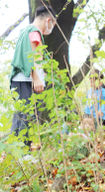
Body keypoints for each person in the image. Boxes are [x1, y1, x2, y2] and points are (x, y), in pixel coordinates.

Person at [10, 5, 56, 146]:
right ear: (48, 21)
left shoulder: (25, 30)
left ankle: (17, 150)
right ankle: (22, 152)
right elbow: (32, 54)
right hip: (25, 79)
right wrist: (36, 78)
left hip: (19, 79)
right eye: (53, 24)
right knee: (25, 115)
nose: (52, 28)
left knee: (21, 114)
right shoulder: (34, 32)